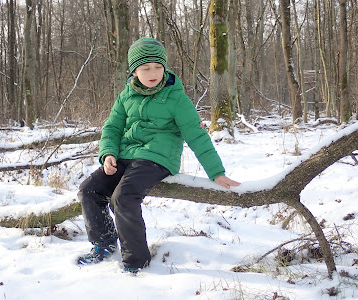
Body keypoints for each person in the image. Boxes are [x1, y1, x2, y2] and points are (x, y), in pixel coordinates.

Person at [77, 37, 240, 273]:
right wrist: (109, 154)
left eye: (158, 66)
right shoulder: (125, 96)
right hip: (126, 154)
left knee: (123, 197)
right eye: (145, 68)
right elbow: (112, 128)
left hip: (157, 158)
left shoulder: (176, 99)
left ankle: (136, 261)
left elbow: (196, 135)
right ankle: (104, 243)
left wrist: (216, 172)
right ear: (134, 72)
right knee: (89, 189)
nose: (153, 72)